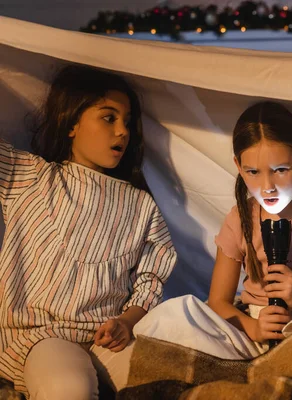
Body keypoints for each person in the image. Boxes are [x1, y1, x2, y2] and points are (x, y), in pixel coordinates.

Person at [135, 101, 292, 358]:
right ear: (239, 167)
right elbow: (219, 302)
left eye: (280, 170)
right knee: (172, 316)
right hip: (257, 326)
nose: (267, 186)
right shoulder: (241, 219)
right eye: (253, 172)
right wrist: (254, 328)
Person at [0, 64, 177, 399]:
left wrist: (126, 322)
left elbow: (151, 281)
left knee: (174, 377)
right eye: (108, 117)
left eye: (127, 121)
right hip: (46, 338)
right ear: (72, 123)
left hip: (111, 339)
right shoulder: (30, 178)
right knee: (70, 388)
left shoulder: (141, 205)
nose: (122, 131)